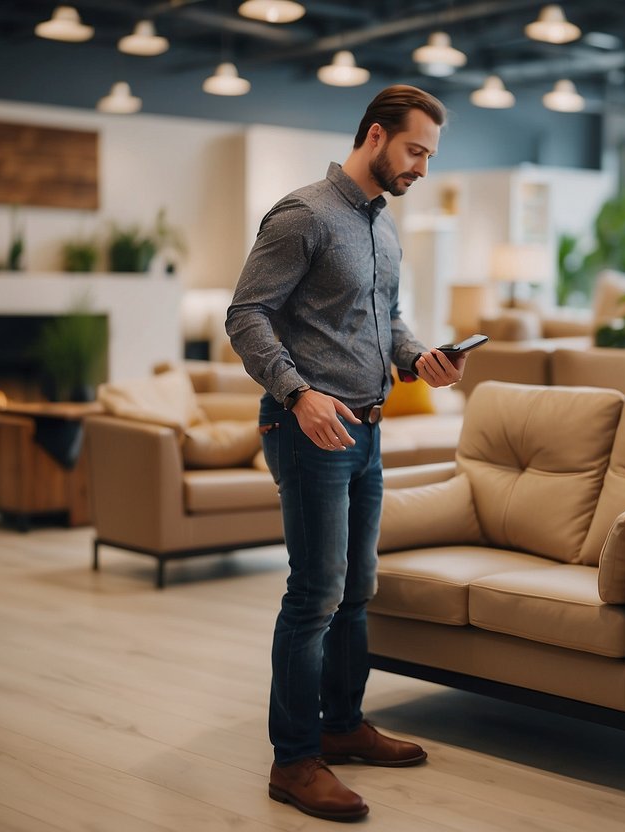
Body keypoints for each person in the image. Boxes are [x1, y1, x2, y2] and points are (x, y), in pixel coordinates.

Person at [225, 85, 465, 823]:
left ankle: (342, 724)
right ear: (373, 137)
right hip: (307, 431)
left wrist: (419, 356)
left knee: (356, 588)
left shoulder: (382, 228)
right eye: (415, 150)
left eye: (429, 153)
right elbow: (246, 316)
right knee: (315, 594)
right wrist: (297, 394)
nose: (422, 166)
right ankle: (294, 760)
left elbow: (384, 318)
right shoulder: (304, 215)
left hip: (368, 429)